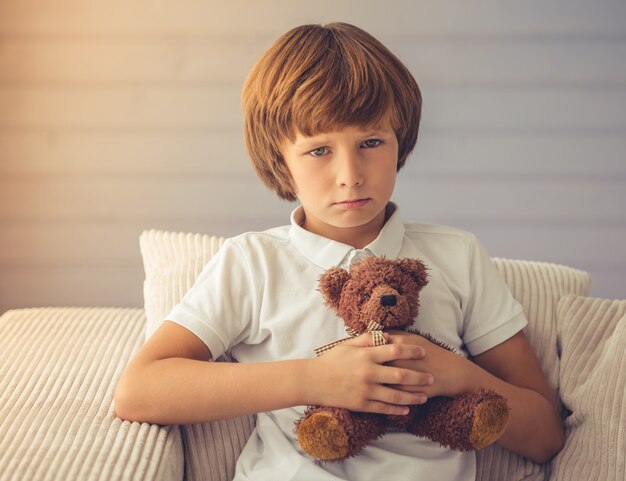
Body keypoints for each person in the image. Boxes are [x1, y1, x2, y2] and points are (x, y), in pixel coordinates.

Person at [115, 22, 564, 481]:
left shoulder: (457, 255)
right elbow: (140, 390)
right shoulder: (252, 262)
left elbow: (545, 434)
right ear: (280, 161)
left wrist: (459, 376)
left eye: (371, 143)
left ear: (400, 141)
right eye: (319, 151)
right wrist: (315, 378)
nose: (350, 174)